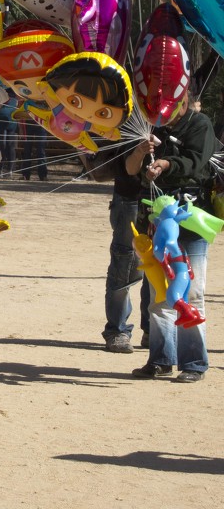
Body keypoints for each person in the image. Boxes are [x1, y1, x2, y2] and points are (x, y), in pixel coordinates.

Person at [127, 93, 218, 382]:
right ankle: (161, 359)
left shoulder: (200, 124)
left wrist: (166, 164)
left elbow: (194, 162)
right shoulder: (155, 129)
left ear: (184, 99)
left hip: (190, 220)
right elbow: (136, 173)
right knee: (158, 294)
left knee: (191, 293)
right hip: (157, 221)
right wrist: (143, 153)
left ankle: (194, 363)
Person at [87, 142, 151, 353]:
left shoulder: (182, 123)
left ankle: (154, 329)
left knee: (159, 266)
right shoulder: (127, 114)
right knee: (125, 264)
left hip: (164, 200)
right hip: (130, 198)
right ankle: (117, 330)